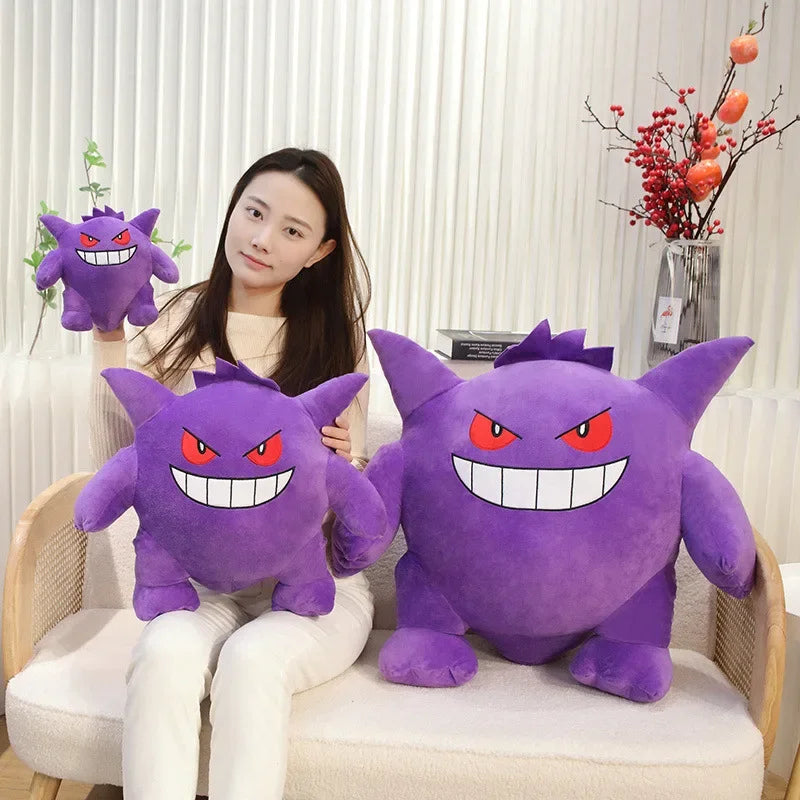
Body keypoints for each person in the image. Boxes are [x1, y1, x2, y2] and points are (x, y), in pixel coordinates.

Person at [89, 148, 374, 799]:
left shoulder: (337, 342)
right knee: (164, 654)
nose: (262, 239)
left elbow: (349, 503)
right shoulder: (174, 321)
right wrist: (108, 337)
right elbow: (118, 455)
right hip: (202, 581)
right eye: (254, 212)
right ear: (233, 209)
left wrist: (342, 462)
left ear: (321, 251)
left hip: (313, 586)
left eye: (292, 230)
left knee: (252, 660)